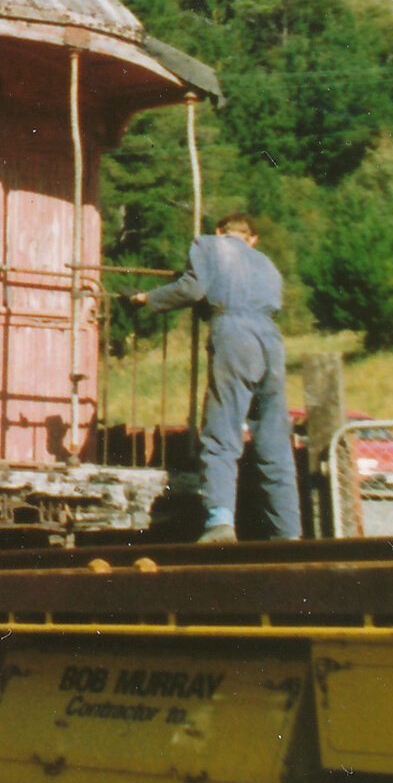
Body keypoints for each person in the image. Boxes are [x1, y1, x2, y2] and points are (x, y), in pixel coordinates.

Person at [130, 212, 297, 543]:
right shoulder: (267, 264)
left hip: (235, 335)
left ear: (220, 231)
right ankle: (288, 533)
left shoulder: (209, 245)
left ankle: (220, 523)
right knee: (275, 442)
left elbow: (193, 289)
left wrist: (147, 299)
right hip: (271, 341)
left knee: (222, 432)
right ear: (252, 238)